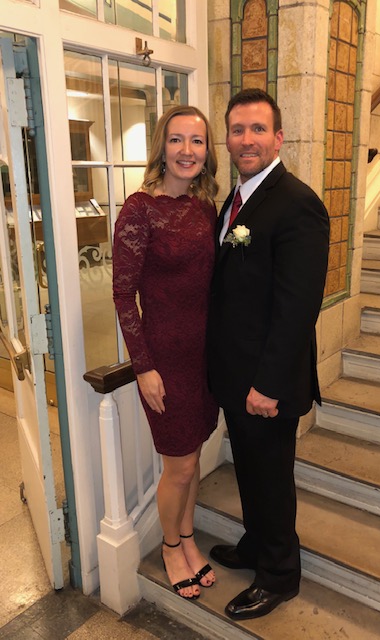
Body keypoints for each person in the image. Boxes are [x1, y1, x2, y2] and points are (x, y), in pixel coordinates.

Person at [207, 88, 330, 620]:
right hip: (238, 376)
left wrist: (268, 385)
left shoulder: (298, 203)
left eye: (258, 129)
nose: (247, 139)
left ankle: (280, 574)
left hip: (267, 383)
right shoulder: (236, 200)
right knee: (251, 471)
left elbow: (298, 308)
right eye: (237, 130)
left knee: (272, 479)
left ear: (278, 138)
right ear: (228, 139)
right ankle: (256, 544)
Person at [113, 105, 219, 600]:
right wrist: (144, 368)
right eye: (177, 140)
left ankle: (189, 537)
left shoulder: (205, 208)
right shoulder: (139, 209)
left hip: (204, 358)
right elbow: (123, 294)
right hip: (165, 362)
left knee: (193, 460)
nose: (187, 150)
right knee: (177, 467)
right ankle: (171, 548)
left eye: (196, 141)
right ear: (162, 147)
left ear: (207, 151)